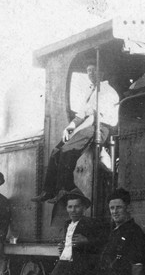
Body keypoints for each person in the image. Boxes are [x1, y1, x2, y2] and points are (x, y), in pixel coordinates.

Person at [32, 64, 119, 203]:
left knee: (68, 149)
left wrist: (76, 131)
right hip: (89, 124)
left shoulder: (107, 91)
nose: (90, 73)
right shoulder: (91, 91)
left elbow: (94, 118)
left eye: (94, 70)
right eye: (88, 71)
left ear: (101, 72)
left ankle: (65, 189)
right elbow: (81, 115)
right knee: (56, 151)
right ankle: (48, 191)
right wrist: (69, 127)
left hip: (101, 127)